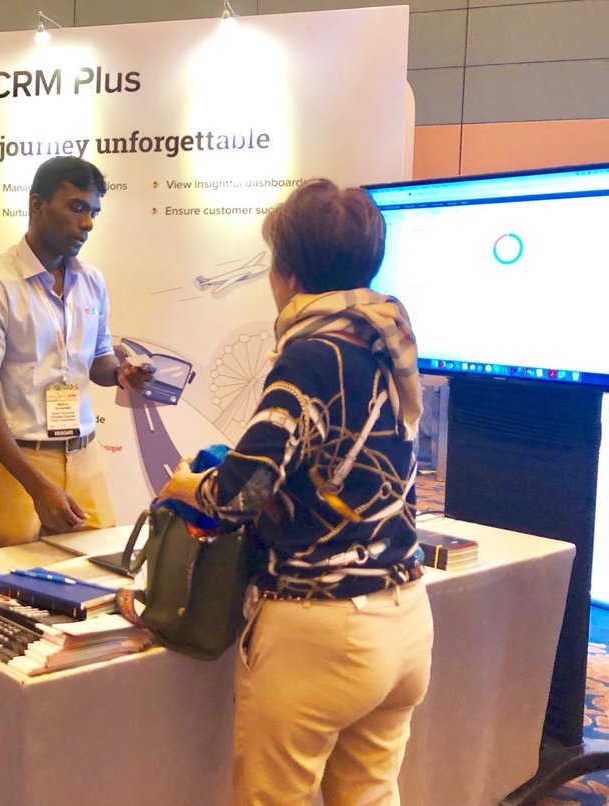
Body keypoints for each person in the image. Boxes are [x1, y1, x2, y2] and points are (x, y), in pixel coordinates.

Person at [158, 179, 431, 804]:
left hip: (320, 629)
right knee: (371, 794)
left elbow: (239, 496)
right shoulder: (388, 340)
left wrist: (188, 484)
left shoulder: (308, 357)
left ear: (287, 274)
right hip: (405, 618)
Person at [0, 156, 153, 551]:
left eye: (94, 212)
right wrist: (37, 487)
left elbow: (100, 358)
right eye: (76, 207)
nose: (87, 223)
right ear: (37, 205)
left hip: (84, 456)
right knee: (7, 579)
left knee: (97, 574)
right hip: (18, 463)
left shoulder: (91, 281)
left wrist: (120, 373)